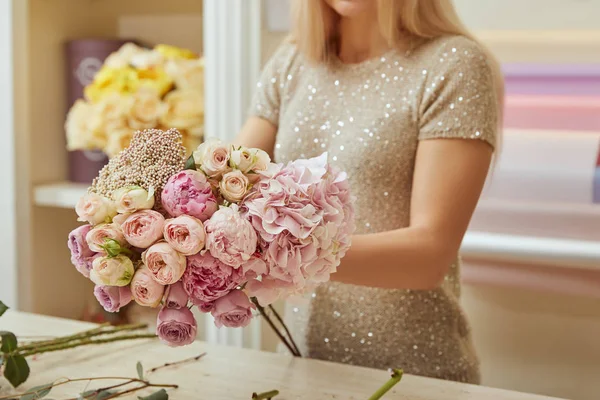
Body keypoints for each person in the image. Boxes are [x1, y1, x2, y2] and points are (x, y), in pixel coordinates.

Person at [235, 0, 503, 384]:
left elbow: (427, 257)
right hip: (301, 372)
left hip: (415, 380)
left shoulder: (453, 63)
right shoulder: (291, 61)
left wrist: (271, 253)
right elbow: (226, 187)